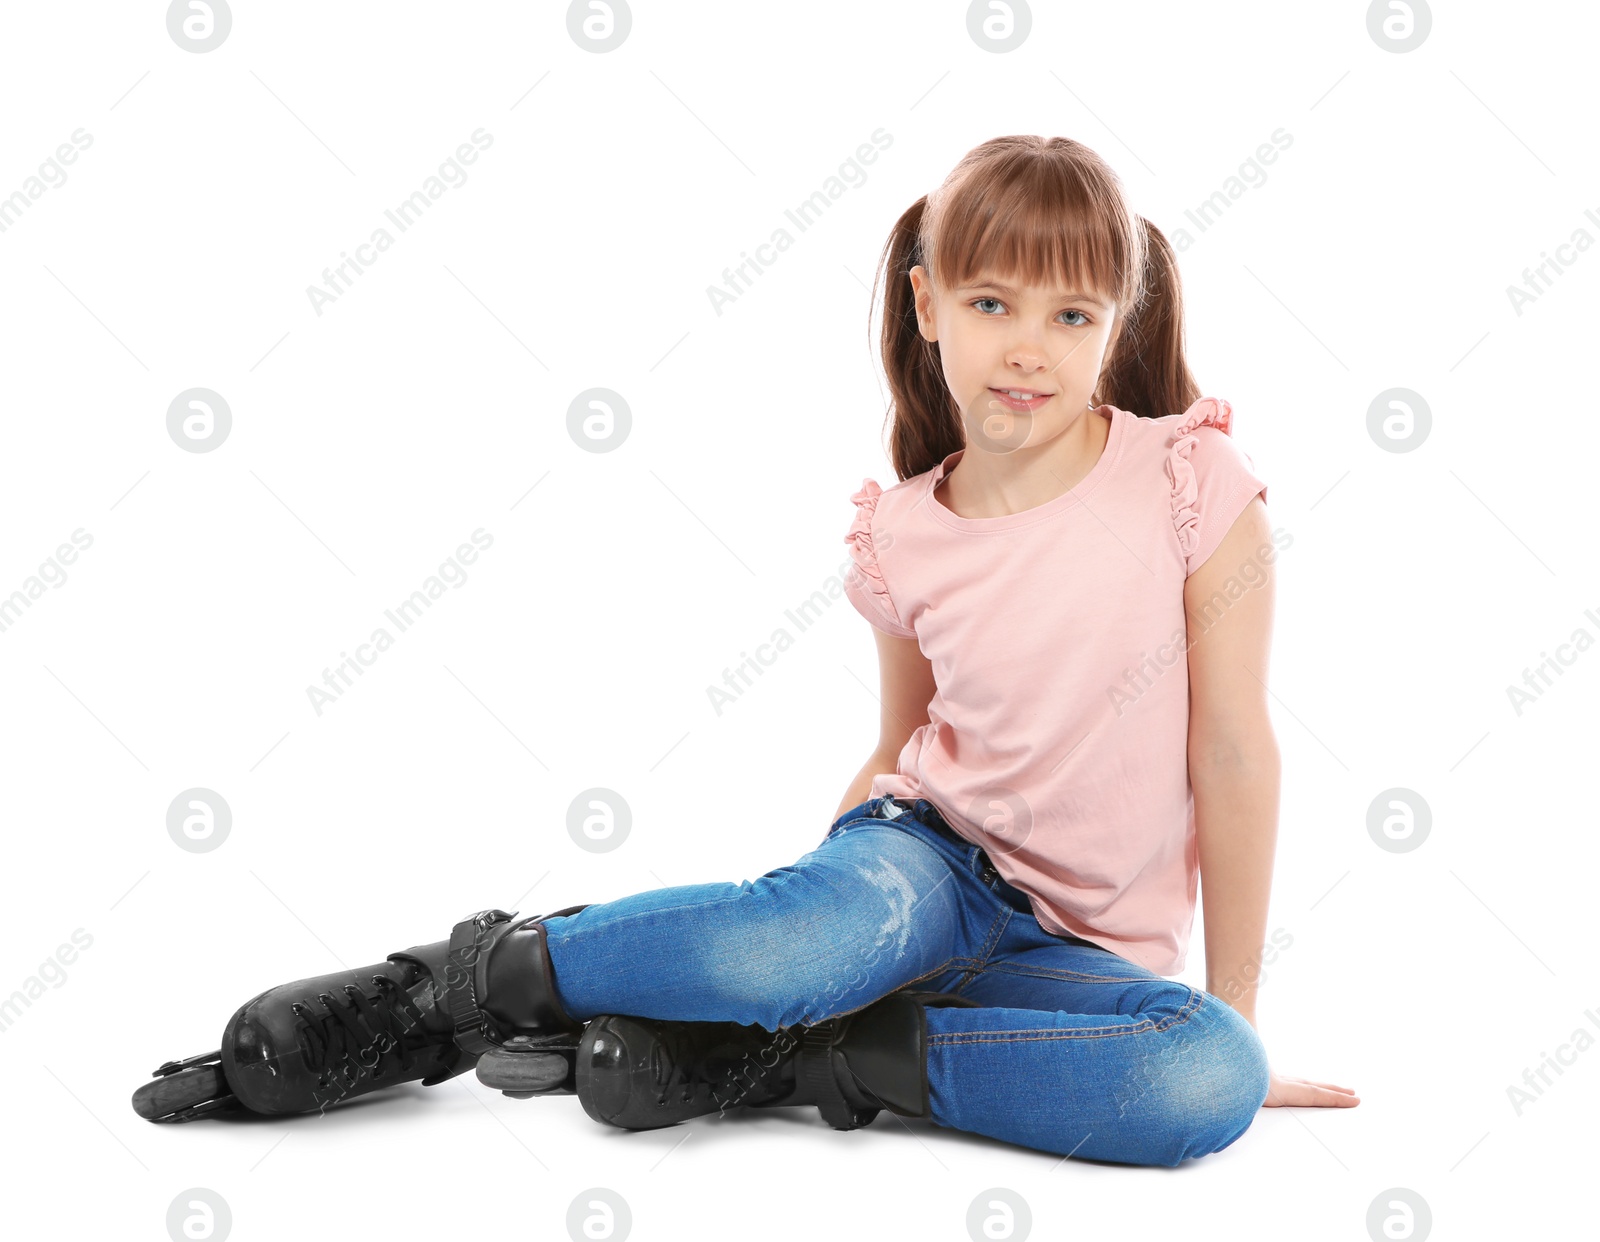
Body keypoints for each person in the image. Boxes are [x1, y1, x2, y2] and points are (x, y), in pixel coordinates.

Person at [135, 134, 1359, 1167]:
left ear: (1115, 323)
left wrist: (1237, 1020)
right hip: (924, 870)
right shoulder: (903, 532)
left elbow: (1236, 748)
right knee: (782, 945)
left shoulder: (1191, 482)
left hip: (1083, 953)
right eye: (990, 303)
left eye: (1069, 313)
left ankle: (795, 1061)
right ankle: (456, 987)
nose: (1026, 346)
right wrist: (795, 948)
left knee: (1205, 1080)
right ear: (928, 303)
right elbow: (897, 750)